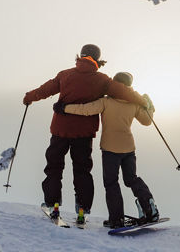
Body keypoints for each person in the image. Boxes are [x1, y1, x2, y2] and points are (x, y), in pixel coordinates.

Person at [22, 44, 147, 219]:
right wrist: (142, 101)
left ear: (80, 56)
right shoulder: (103, 80)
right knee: (82, 170)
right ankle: (83, 208)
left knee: (54, 167)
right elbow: (122, 92)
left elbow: (45, 90)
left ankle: (52, 204)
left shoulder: (65, 74)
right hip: (84, 134)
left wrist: (29, 97)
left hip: (60, 130)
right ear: (98, 59)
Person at [53, 71, 159, 228]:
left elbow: (85, 109)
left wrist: (65, 108)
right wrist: (150, 106)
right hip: (129, 148)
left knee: (111, 183)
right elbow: (147, 121)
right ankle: (150, 208)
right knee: (131, 179)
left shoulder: (106, 102)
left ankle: (116, 219)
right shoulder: (134, 104)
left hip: (110, 149)